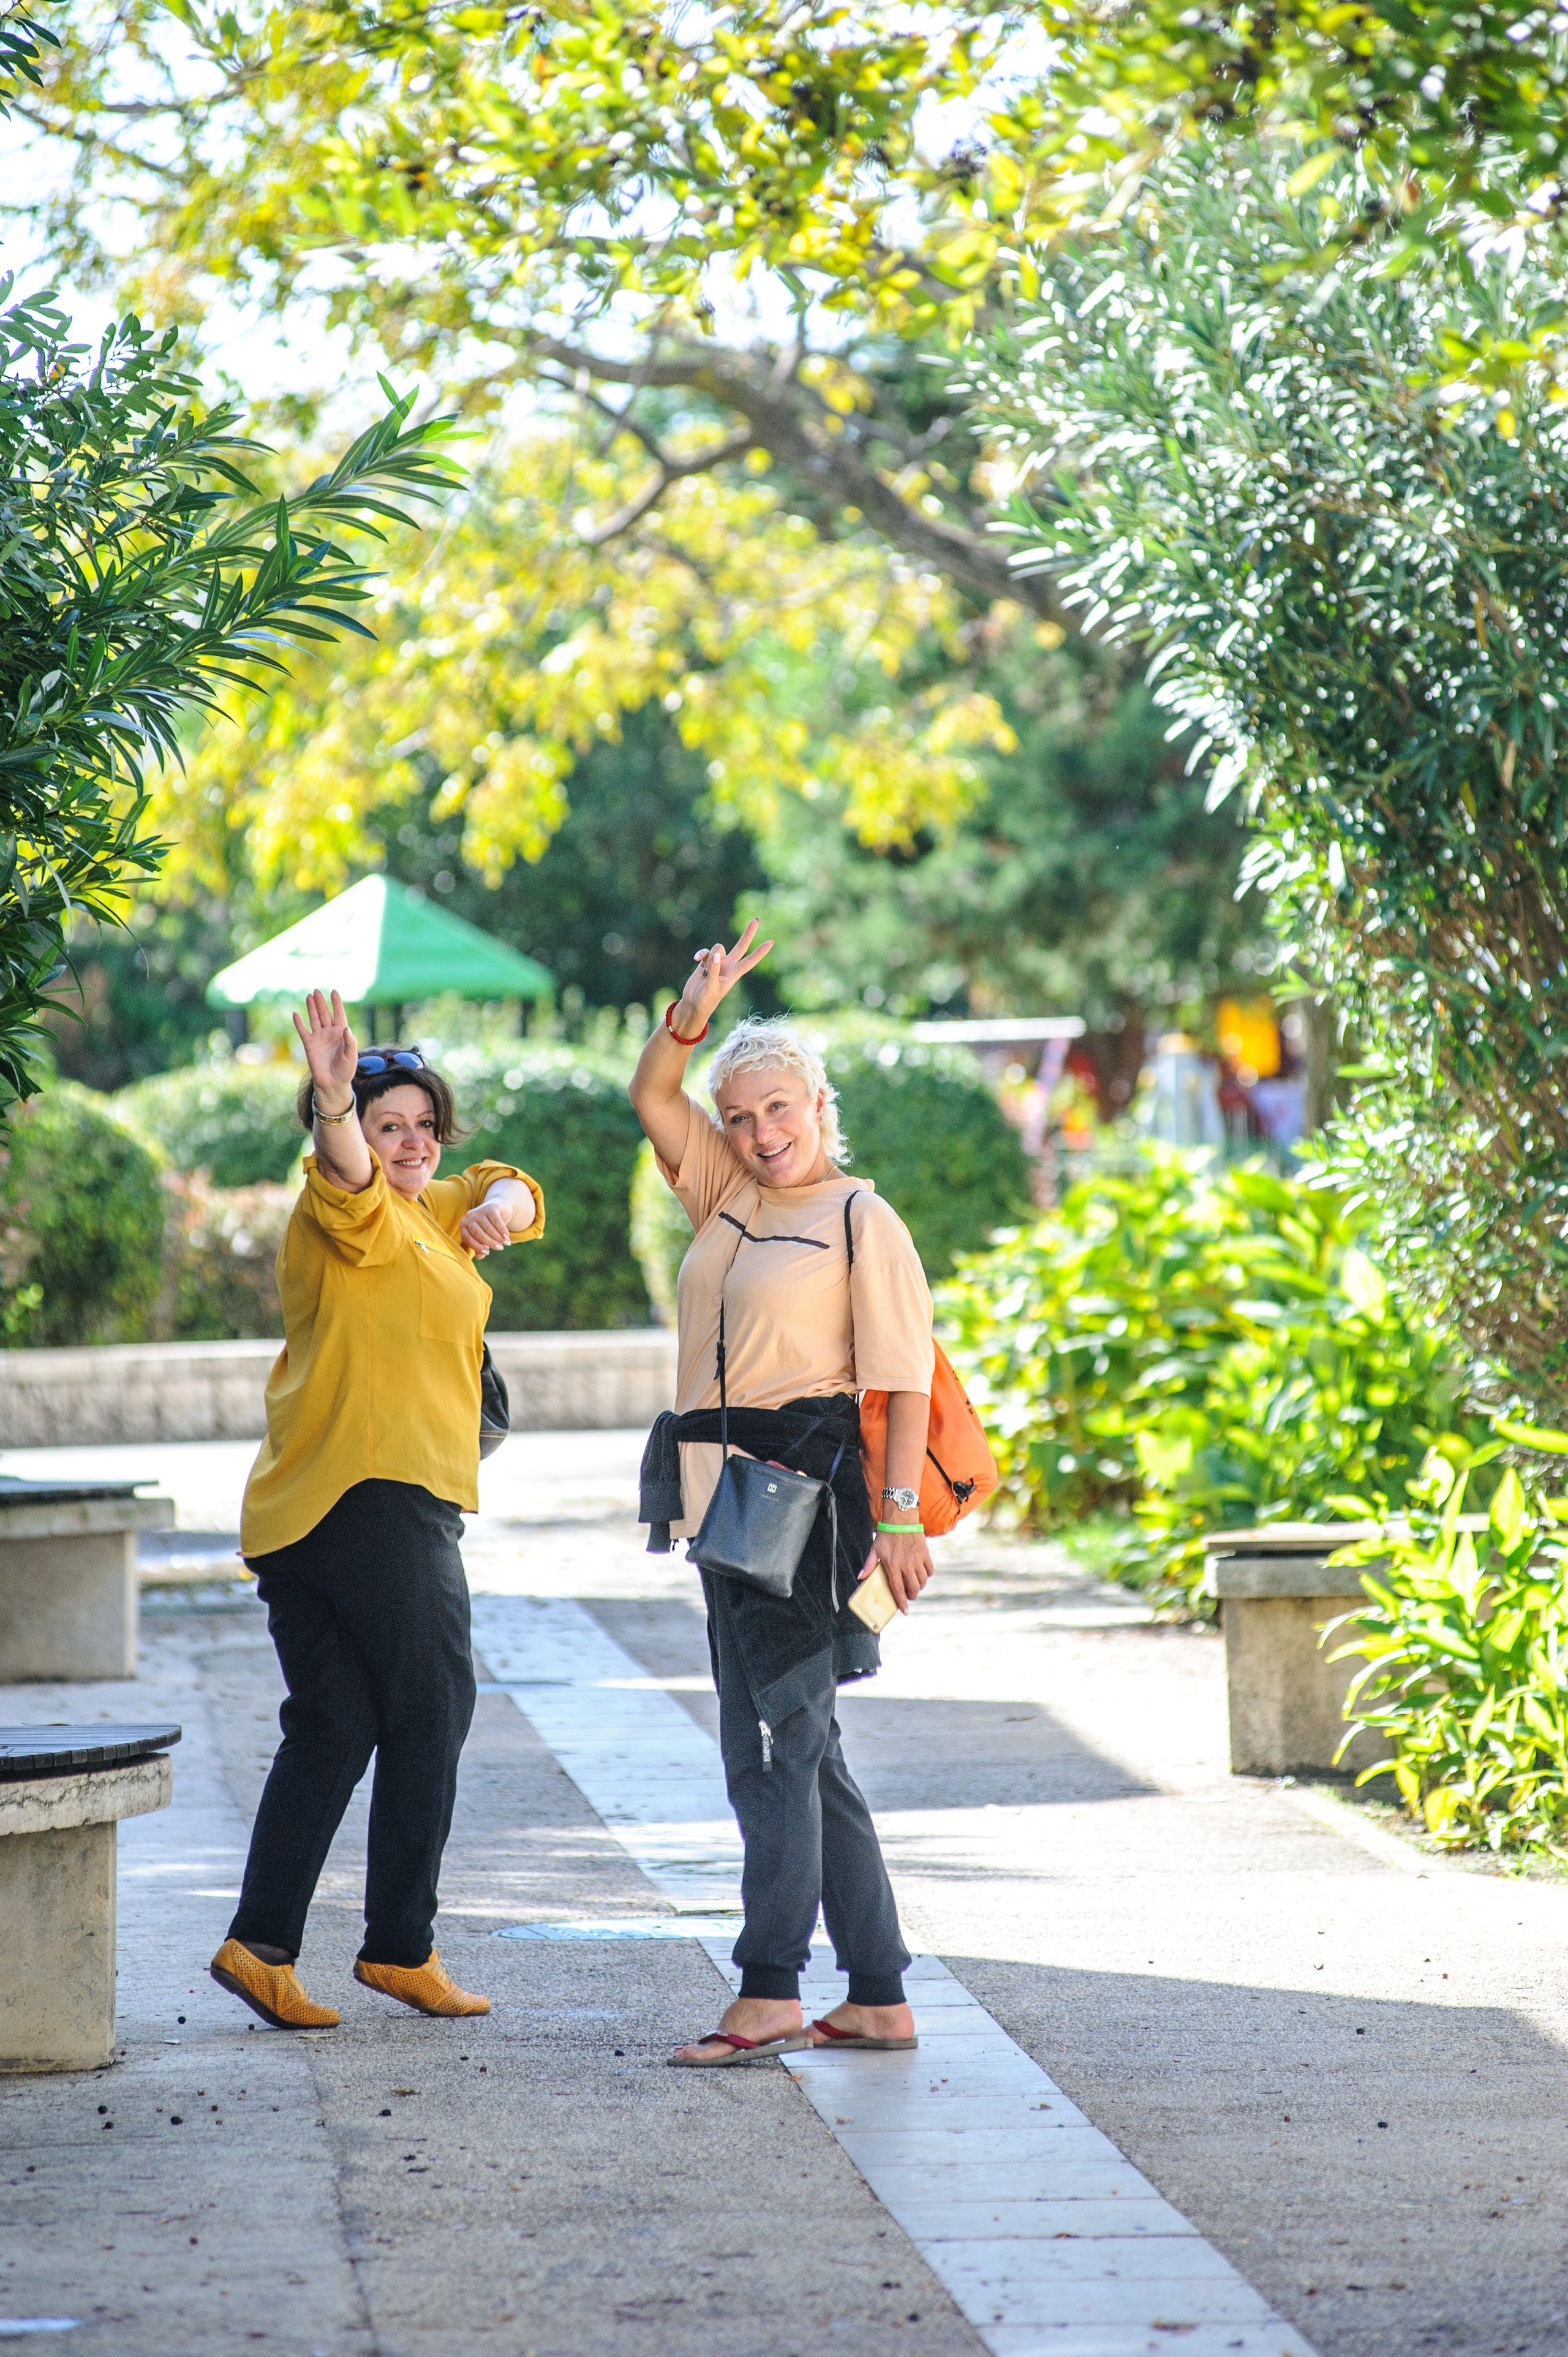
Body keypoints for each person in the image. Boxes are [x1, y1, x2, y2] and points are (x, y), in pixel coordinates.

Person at [209, 991, 545, 2032]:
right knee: (436, 1703)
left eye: (423, 1126)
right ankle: (401, 1947)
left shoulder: (439, 1210)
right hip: (376, 1496)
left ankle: (259, 1947)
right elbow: (347, 1164)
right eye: (386, 1123)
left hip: (305, 1508)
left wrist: (507, 1207)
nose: (405, 1142)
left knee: (338, 1719)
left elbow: (515, 1186)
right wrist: (330, 1095)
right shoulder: (342, 1202)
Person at [631, 925, 937, 2065]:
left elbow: (902, 1380)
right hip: (719, 1496)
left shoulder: (862, 1217)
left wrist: (899, 1521)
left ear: (818, 1104)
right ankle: (877, 1994)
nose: (762, 1134)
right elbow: (655, 1089)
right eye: (743, 1114)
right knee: (806, 1742)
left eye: (780, 1110)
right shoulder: (722, 1188)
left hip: (806, 1494)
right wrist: (697, 999)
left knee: (776, 1745)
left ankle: (767, 1988)